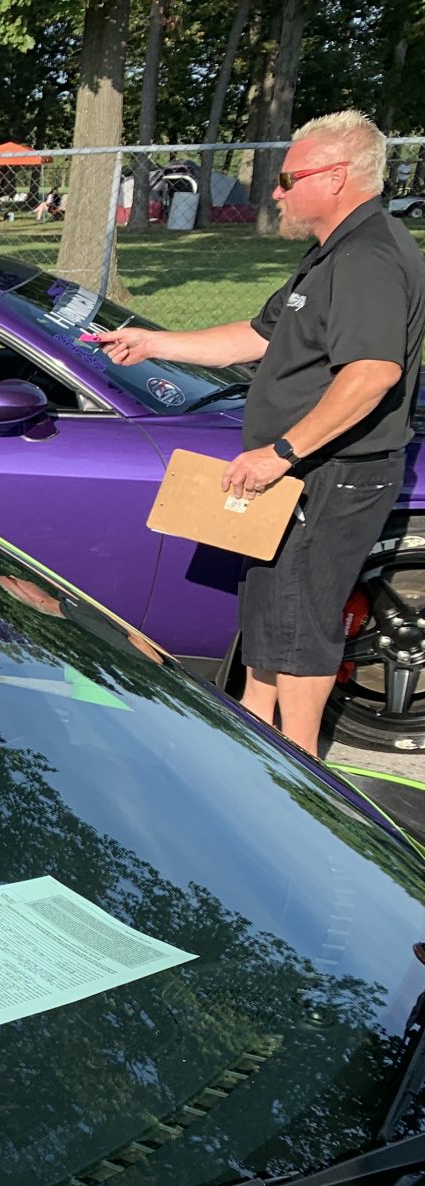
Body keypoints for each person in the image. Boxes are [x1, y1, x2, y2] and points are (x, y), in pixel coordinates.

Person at [98, 110, 425, 755]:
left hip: (329, 473)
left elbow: (372, 374)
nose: (276, 192)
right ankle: (255, 734)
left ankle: (302, 774)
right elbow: (256, 337)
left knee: (302, 621)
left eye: (287, 178)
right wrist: (151, 341)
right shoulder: (330, 253)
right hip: (298, 473)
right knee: (273, 611)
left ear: (334, 177)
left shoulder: (369, 256)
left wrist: (282, 453)